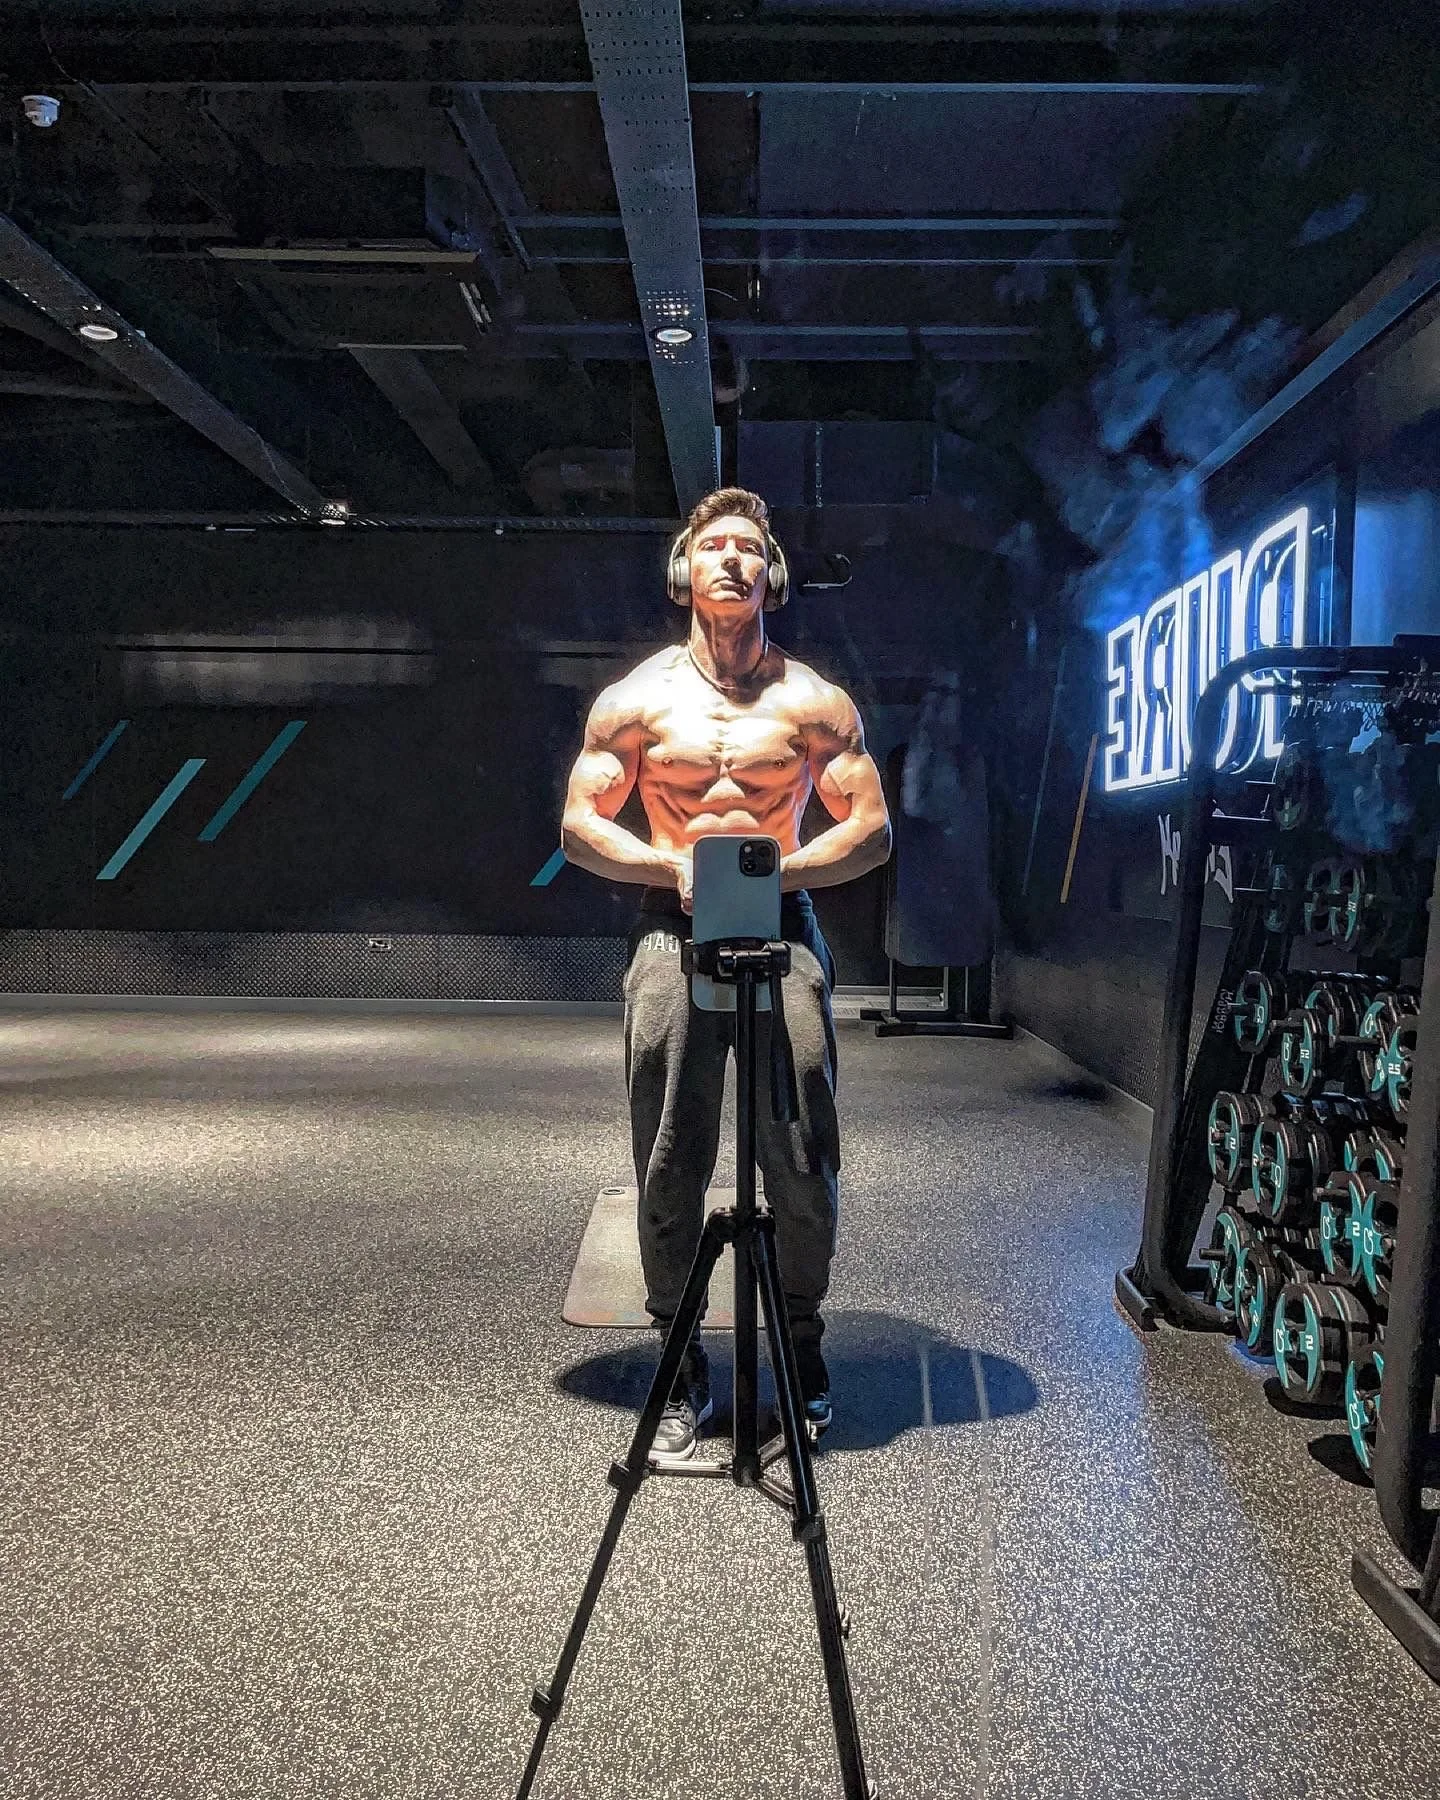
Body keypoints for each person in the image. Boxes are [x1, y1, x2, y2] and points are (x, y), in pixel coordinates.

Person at [561, 486, 891, 1461]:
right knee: (670, 1153)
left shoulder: (814, 703)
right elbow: (580, 828)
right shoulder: (635, 700)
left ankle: (800, 1350)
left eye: (752, 549)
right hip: (670, 927)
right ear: (686, 574)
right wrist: (668, 866)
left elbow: (870, 832)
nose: (735, 562)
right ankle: (676, 1360)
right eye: (717, 549)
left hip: (783, 924)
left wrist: (773, 869)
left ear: (772, 578)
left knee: (797, 1150)